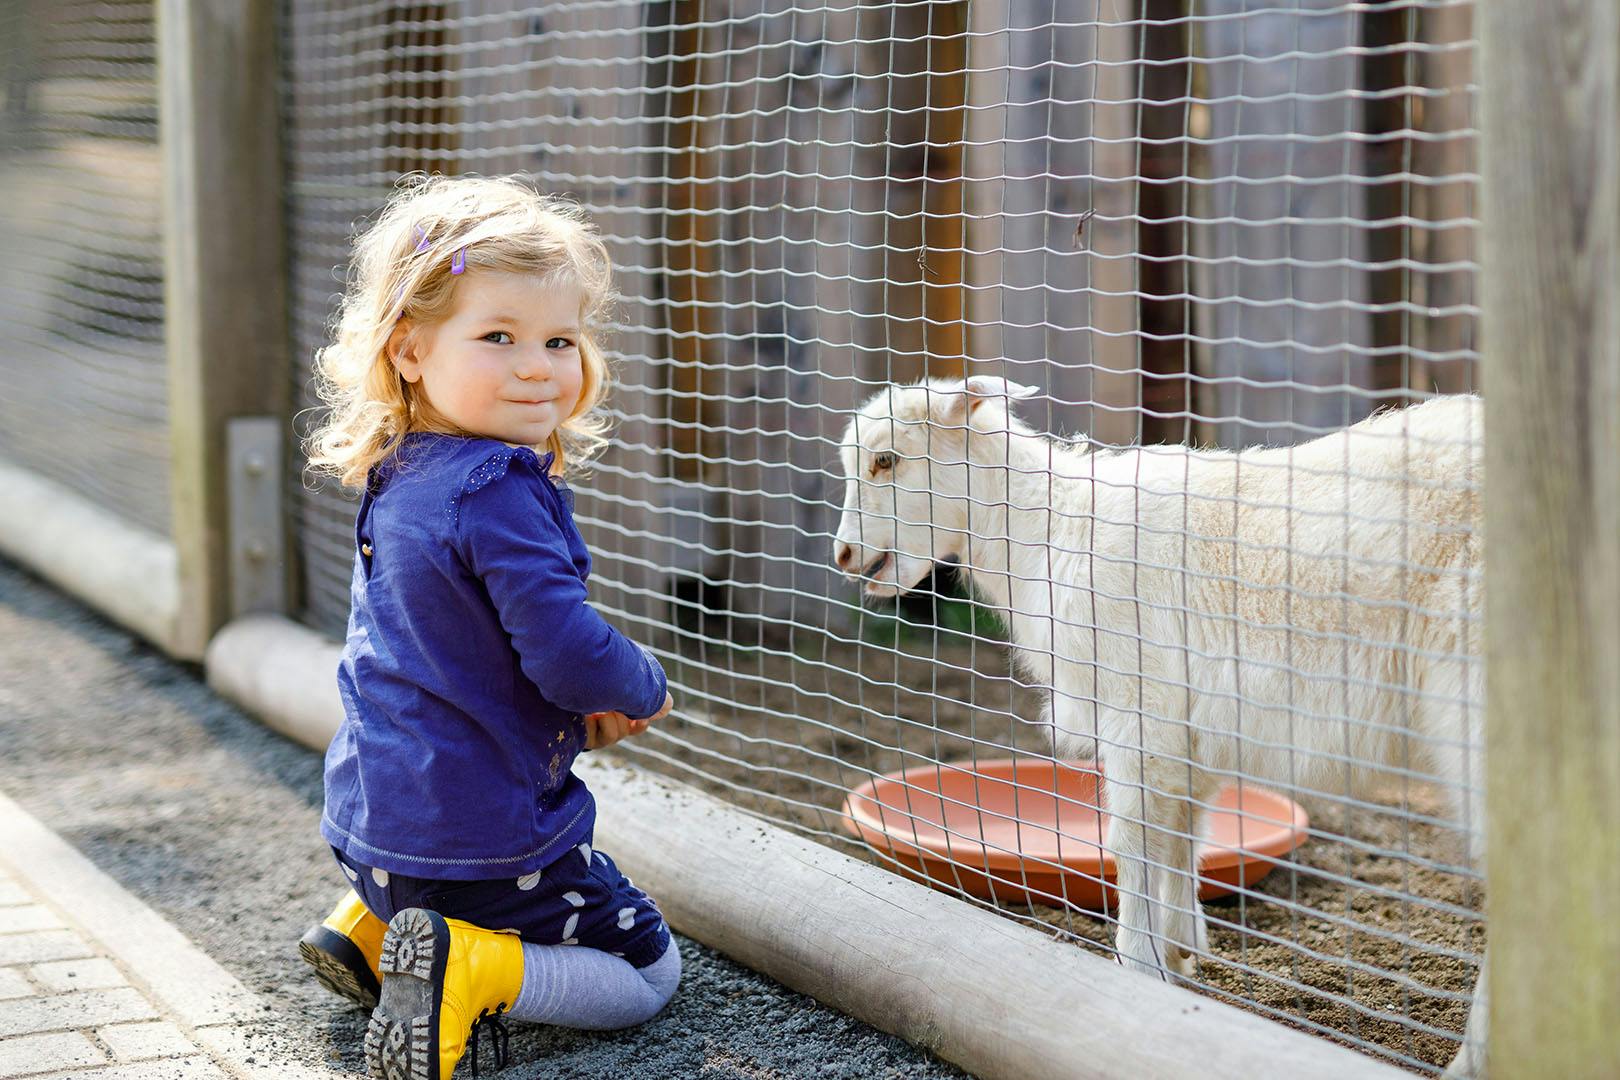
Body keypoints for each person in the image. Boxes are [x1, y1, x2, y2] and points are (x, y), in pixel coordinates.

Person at [297, 173, 680, 1080]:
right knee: (648, 968)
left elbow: (462, 647)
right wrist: (639, 683)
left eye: (559, 338)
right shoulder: (497, 488)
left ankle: (371, 933)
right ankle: (476, 963)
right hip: (478, 849)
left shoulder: (403, 468)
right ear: (411, 351)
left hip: (369, 829)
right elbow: (565, 650)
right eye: (498, 337)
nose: (538, 365)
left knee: (424, 871)